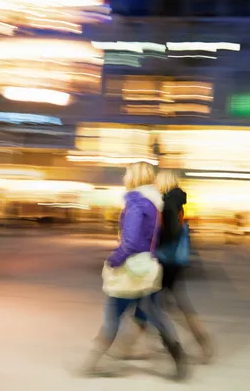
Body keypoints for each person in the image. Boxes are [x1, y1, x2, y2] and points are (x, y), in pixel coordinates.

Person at [82, 162, 187, 380]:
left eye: (127, 173)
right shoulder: (154, 202)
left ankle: (90, 365)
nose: (124, 177)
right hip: (148, 266)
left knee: (113, 315)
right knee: (156, 315)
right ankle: (179, 358)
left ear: (134, 176)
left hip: (130, 269)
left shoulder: (136, 202)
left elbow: (130, 241)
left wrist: (113, 260)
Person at [128, 170, 213, 363]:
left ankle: (132, 346)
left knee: (149, 302)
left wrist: (154, 239)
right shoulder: (177, 201)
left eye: (157, 182)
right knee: (161, 303)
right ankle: (203, 343)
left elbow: (171, 232)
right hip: (174, 261)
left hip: (166, 261)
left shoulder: (169, 203)